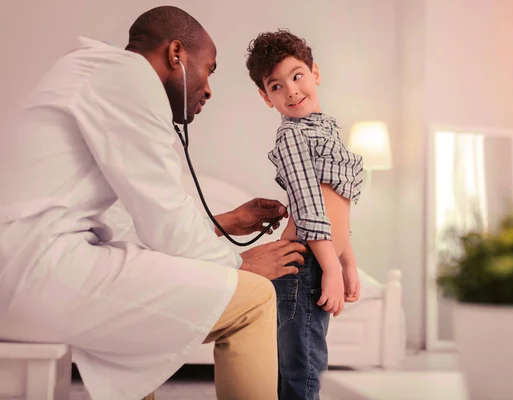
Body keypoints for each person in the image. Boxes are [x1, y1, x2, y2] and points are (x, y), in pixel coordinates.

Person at [0, 6, 307, 400]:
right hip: (31, 273)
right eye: (209, 69)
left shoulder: (92, 73)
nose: (209, 89)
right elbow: (164, 224)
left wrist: (222, 221)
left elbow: (131, 223)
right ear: (176, 54)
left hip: (24, 267)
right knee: (255, 299)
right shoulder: (128, 75)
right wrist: (239, 264)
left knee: (143, 288)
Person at [245, 29, 364, 399]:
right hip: (306, 263)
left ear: (315, 72)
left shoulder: (325, 128)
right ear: (266, 98)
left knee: (306, 360)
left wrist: (348, 263)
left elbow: (338, 207)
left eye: (297, 76)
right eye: (277, 86)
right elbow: (309, 203)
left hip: (321, 257)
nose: (292, 90)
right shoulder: (293, 136)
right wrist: (329, 267)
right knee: (305, 366)